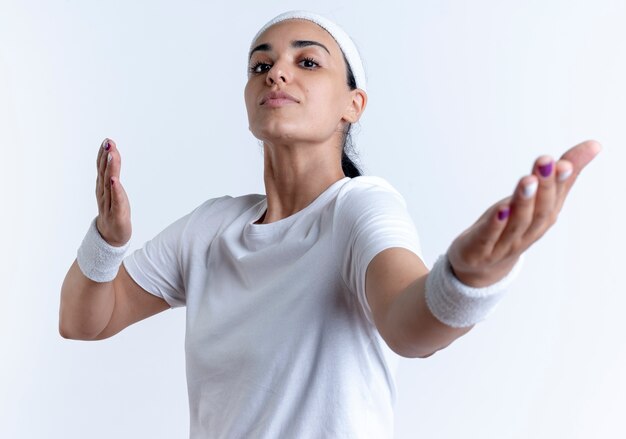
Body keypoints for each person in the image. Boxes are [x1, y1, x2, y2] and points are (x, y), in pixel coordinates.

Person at [59, 10, 602, 439]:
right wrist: (109, 239)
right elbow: (84, 320)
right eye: (259, 64)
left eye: (308, 63)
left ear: (353, 104)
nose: (276, 72)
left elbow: (409, 326)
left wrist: (470, 276)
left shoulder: (359, 208)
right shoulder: (210, 228)